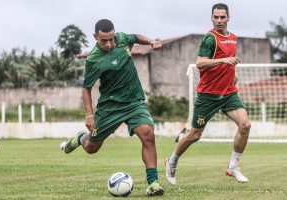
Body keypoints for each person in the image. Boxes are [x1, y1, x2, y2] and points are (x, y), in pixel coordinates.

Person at [63, 19, 164, 196]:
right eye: (104, 41)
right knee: (91, 148)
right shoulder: (94, 60)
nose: (109, 44)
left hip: (133, 102)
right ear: (95, 37)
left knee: (148, 133)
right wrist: (89, 115)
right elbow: (86, 88)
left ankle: (153, 183)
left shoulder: (122, 39)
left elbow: (136, 37)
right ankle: (81, 138)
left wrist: (150, 41)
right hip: (109, 107)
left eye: (111, 39)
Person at [165, 3, 251, 185]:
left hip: (228, 93)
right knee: (195, 135)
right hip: (208, 95)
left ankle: (233, 166)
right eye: (216, 17)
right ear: (211, 18)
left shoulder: (233, 38)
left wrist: (232, 76)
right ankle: (171, 161)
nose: (219, 20)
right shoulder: (209, 39)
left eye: (222, 17)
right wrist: (224, 60)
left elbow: (228, 65)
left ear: (229, 18)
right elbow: (200, 63)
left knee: (245, 125)